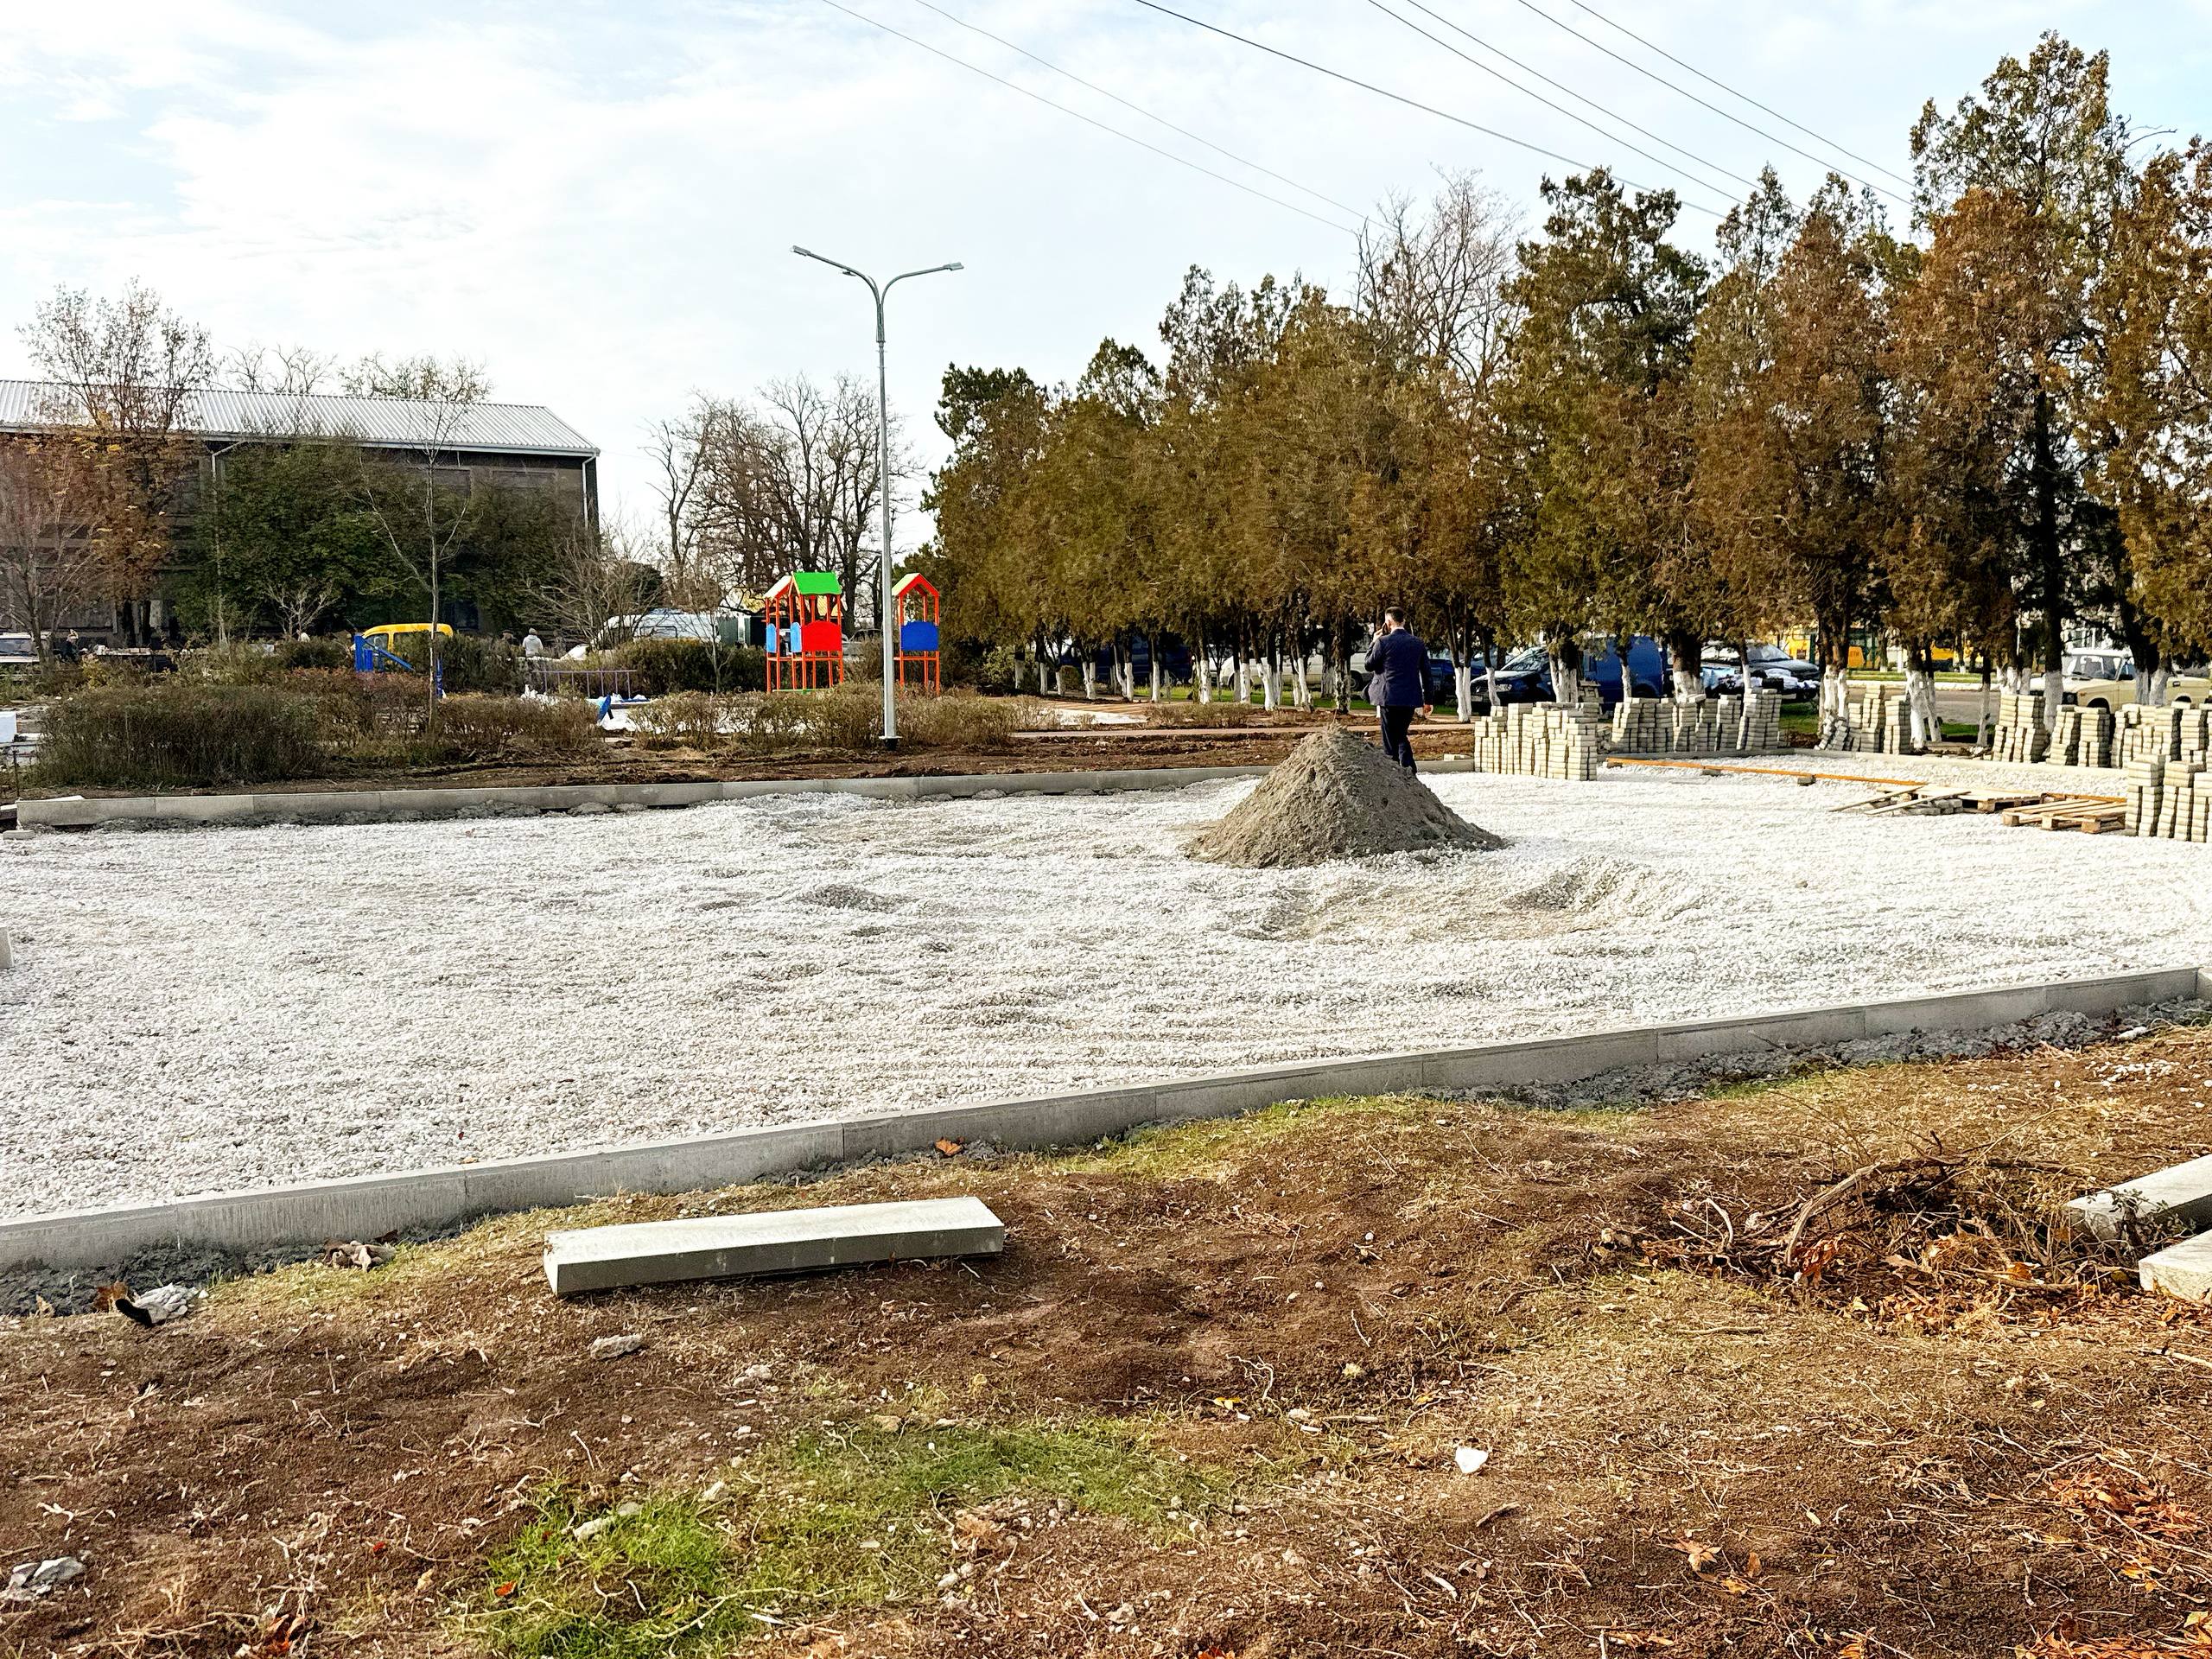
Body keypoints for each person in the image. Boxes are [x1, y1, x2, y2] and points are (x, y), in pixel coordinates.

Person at [1364, 607, 1433, 772]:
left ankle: (1394, 770)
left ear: (1388, 623)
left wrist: (1373, 642)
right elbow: (1427, 673)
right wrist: (1428, 700)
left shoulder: (1383, 642)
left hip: (1388, 698)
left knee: (1390, 739)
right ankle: (1409, 770)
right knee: (1401, 735)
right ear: (1404, 621)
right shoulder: (1417, 643)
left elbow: (1368, 664)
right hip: (1410, 698)